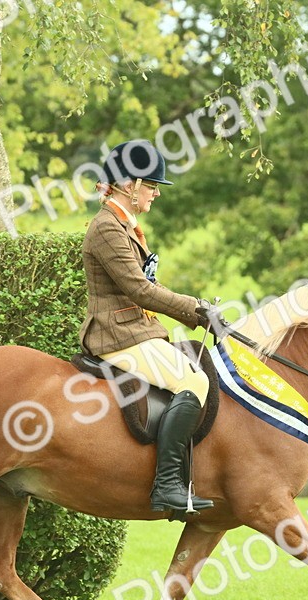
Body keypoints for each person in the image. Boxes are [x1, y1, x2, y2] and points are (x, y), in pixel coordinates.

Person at [80, 139, 214, 515]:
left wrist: (197, 309)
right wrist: (195, 309)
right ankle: (167, 485)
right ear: (129, 184)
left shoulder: (126, 226)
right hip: (117, 333)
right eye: (152, 185)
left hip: (135, 329)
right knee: (195, 381)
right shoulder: (107, 228)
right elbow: (140, 289)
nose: (156, 193)